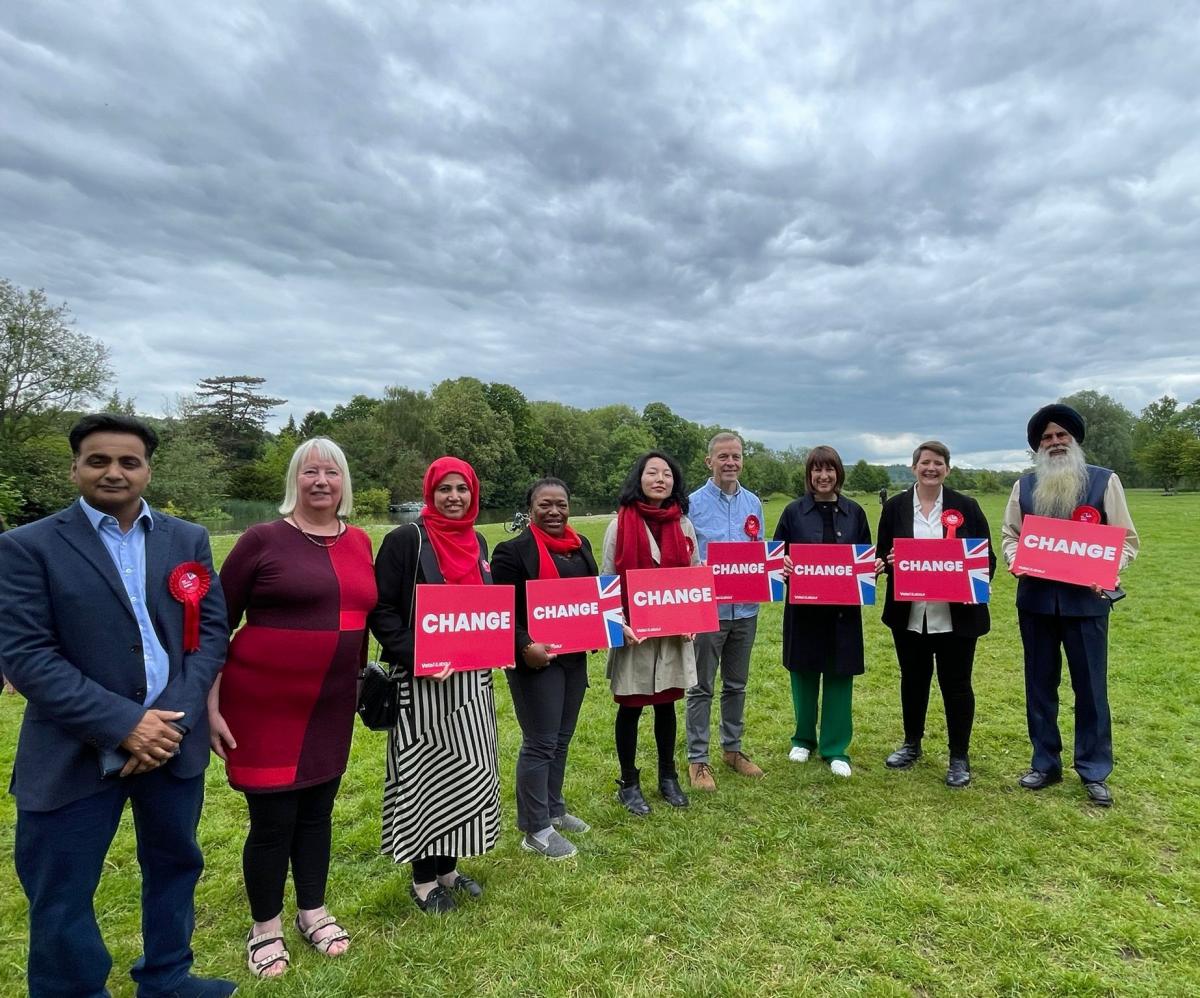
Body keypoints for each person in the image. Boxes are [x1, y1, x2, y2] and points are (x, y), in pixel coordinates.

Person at [0, 413, 235, 998]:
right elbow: (28, 656)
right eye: (99, 460)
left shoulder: (187, 540)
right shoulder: (26, 547)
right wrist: (125, 724)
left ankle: (169, 978)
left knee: (176, 866)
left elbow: (209, 635)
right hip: (73, 750)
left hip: (173, 744)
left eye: (128, 461)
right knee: (62, 890)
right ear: (75, 467)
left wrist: (169, 723)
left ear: (147, 470)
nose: (114, 472)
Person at [207, 438, 376, 977]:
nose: (321, 481)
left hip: (331, 702)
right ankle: (265, 926)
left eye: (332, 472)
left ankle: (312, 910)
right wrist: (209, 704)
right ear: (294, 482)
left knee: (318, 812)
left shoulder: (360, 543)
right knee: (273, 819)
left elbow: (364, 620)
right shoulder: (261, 540)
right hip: (263, 704)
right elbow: (216, 624)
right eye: (310, 473)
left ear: (344, 482)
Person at [369, 457, 501, 912]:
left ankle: (449, 868)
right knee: (424, 777)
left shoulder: (478, 540)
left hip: (471, 683)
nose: (453, 497)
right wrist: (420, 654)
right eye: (444, 489)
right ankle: (424, 879)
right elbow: (381, 612)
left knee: (465, 774)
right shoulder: (406, 540)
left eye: (461, 489)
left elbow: (483, 610)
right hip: (423, 684)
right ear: (430, 492)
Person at [1002, 404, 1139, 807]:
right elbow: (1011, 534)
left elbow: (1126, 540)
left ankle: (1094, 769)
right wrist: (1014, 558)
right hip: (1037, 602)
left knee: (1091, 688)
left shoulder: (1103, 482)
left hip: (1087, 604)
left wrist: (1108, 567)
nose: (1055, 442)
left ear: (1074, 439)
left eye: (1062, 435)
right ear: (1037, 447)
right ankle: (1045, 763)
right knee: (1040, 686)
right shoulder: (1023, 487)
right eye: (1047, 438)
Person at [492, 477, 607, 859]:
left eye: (561, 503)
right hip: (534, 662)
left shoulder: (580, 546)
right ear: (530, 509)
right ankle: (535, 829)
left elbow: (592, 597)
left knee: (561, 737)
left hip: (573, 656)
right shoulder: (511, 552)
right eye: (545, 505)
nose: (554, 511)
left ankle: (554, 809)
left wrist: (607, 625)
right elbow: (503, 611)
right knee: (540, 741)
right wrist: (525, 645)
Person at [876, 441, 996, 788]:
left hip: (956, 617)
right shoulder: (896, 507)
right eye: (925, 462)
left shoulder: (967, 507)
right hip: (910, 614)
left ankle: (959, 756)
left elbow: (985, 560)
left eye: (938, 463)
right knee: (912, 680)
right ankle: (911, 744)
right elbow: (883, 553)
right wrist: (889, 561)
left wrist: (969, 578)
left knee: (956, 685)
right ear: (914, 467)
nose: (931, 468)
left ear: (948, 469)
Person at [602, 450, 700, 815]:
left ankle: (668, 777)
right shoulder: (619, 524)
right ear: (638, 479)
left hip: (673, 635)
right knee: (630, 708)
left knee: (666, 705)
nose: (660, 479)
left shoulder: (684, 524)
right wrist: (618, 625)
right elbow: (607, 580)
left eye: (667, 474)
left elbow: (694, 575)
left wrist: (693, 620)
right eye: (652, 473)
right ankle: (628, 783)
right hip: (634, 634)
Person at [774, 446, 871, 777]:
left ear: (838, 473)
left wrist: (874, 567)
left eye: (829, 469)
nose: (823, 476)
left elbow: (865, 562)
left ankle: (835, 747)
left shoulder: (856, 512)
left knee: (839, 676)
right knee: (802, 673)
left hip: (843, 613)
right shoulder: (792, 512)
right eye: (816, 470)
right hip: (804, 610)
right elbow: (775, 559)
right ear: (809, 475)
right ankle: (803, 739)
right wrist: (781, 566)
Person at [684, 431, 765, 792]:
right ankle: (698, 761)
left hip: (746, 610)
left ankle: (732, 751)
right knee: (701, 687)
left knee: (736, 685)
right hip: (708, 612)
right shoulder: (692, 504)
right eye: (723, 457)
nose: (730, 462)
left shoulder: (754, 503)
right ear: (709, 461)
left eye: (736, 456)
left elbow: (759, 550)